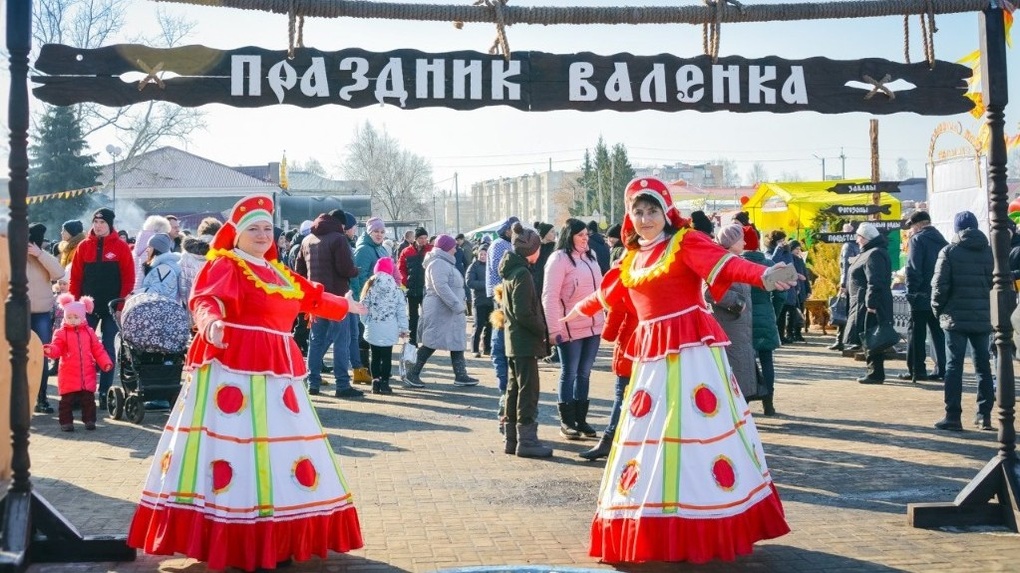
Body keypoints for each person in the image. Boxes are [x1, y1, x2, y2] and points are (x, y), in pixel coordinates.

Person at [127, 195, 366, 571]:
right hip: (233, 372)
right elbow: (204, 299)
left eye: (267, 228)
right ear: (235, 235)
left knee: (280, 451)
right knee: (236, 452)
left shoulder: (276, 270)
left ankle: (279, 533)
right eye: (253, 228)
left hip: (277, 377)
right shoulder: (227, 263)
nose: (261, 234)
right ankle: (237, 537)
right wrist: (211, 323)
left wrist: (345, 305)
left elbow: (310, 296)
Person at [563, 176, 792, 563]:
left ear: (666, 212)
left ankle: (701, 521)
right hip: (651, 362)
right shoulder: (630, 260)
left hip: (692, 356)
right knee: (649, 439)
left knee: (695, 435)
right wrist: (568, 315)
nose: (646, 218)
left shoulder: (683, 243)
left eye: (652, 210)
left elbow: (725, 265)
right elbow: (607, 296)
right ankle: (653, 523)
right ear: (629, 217)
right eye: (639, 211)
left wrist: (763, 277)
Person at [931, 210, 994, 431]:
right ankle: (984, 415)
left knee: (953, 366)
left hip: (954, 317)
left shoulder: (949, 252)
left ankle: (953, 416)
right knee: (983, 365)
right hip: (982, 316)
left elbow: (939, 287)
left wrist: (938, 311)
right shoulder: (988, 252)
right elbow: (993, 284)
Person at [543, 218, 605, 440]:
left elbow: (600, 290)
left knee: (585, 373)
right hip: (569, 326)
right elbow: (550, 296)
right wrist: (553, 328)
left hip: (593, 324)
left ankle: (581, 419)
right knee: (569, 373)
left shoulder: (591, 256)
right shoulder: (558, 259)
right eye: (581, 235)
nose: (585, 238)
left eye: (586, 234)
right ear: (569, 236)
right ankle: (567, 422)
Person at [68, 208, 135, 409]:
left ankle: (105, 393)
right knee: (80, 349)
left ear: (110, 224)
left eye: (102, 222)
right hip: (86, 308)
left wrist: (120, 305)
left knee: (107, 349)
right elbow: (76, 279)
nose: (98, 226)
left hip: (111, 307)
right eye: (95, 222)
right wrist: (74, 305)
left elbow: (128, 279)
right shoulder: (83, 246)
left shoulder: (121, 248)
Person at [294, 210, 363, 398]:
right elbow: (344, 268)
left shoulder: (307, 240)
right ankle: (342, 385)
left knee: (316, 341)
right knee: (342, 341)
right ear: (340, 224)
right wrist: (355, 271)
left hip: (316, 298)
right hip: (338, 298)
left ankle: (313, 382)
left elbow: (299, 271)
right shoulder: (338, 239)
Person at [499, 222, 553, 458]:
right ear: (531, 251)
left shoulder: (512, 271)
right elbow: (524, 312)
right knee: (528, 391)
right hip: (524, 341)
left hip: (514, 341)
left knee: (514, 389)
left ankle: (512, 439)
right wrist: (542, 329)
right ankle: (527, 441)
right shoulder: (522, 274)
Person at [403, 234, 478, 388]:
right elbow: (441, 287)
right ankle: (412, 373)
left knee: (456, 341)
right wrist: (457, 305)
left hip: (449, 311)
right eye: (453, 246)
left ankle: (460, 375)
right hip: (440, 310)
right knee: (431, 342)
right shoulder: (438, 263)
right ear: (446, 247)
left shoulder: (445, 262)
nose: (455, 248)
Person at [43, 294, 113, 432]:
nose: (73, 320)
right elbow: (57, 347)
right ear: (64, 317)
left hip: (87, 373)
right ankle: (66, 422)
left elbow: (98, 349)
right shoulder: (61, 333)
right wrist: (50, 350)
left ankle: (89, 420)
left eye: (76, 317)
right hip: (68, 373)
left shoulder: (89, 332)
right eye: (69, 317)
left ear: (83, 317)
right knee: (66, 401)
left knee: (88, 400)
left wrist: (105, 362)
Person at [706, 224, 756, 399]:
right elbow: (708, 290)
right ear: (731, 242)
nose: (744, 241)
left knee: (741, 366)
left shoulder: (737, 261)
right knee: (733, 368)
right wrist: (736, 302)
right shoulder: (720, 263)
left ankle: (741, 407)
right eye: (740, 238)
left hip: (740, 326)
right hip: (728, 326)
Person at [900, 211, 948, 382]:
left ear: (918, 225)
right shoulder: (943, 240)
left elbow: (913, 268)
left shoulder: (917, 240)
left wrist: (911, 292)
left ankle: (917, 370)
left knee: (916, 333)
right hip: (939, 295)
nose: (911, 230)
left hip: (920, 294)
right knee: (938, 333)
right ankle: (942, 368)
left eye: (912, 226)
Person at [741, 225, 783, 416]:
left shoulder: (736, 264)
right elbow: (782, 294)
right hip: (765, 315)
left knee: (743, 361)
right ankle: (769, 403)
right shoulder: (768, 264)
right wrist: (774, 311)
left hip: (741, 318)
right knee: (766, 360)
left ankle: (744, 403)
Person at [844, 223, 894, 384]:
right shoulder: (871, 252)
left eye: (858, 237)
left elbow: (875, 281)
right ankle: (873, 370)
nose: (857, 240)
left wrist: (871, 303)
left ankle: (875, 373)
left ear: (865, 238)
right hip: (864, 302)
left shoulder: (874, 254)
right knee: (870, 336)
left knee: (873, 336)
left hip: (870, 305)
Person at [28, 223, 65, 414]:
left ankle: (41, 398)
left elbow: (59, 273)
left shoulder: (42, 255)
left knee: (41, 356)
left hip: (41, 312)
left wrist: (39, 253)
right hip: (16, 312)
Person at [360, 256, 408, 395]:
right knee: (386, 356)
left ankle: (375, 382)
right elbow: (401, 311)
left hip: (373, 326)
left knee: (374, 356)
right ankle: (385, 383)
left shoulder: (369, 285)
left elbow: (363, 307)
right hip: (390, 327)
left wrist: (366, 322)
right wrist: (403, 328)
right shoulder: (396, 288)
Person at [829, 223, 861, 351]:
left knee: (843, 310)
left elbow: (845, 267)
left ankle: (840, 340)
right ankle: (845, 340)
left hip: (849, 283)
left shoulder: (848, 246)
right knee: (850, 310)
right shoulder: (859, 245)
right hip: (856, 283)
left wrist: (843, 284)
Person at [398, 227, 431, 346]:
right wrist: (405, 280)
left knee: (427, 315)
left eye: (425, 238)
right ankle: (413, 340)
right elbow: (400, 268)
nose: (423, 240)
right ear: (416, 239)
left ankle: (426, 339)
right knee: (413, 316)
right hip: (411, 288)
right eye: (421, 238)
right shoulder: (406, 251)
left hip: (426, 289)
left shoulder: (430, 250)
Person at [138, 233, 183, 303]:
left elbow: (156, 292)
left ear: (157, 249)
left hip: (159, 310)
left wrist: (135, 294)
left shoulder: (164, 269)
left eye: (149, 247)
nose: (147, 250)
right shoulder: (161, 266)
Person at [132, 215, 172, 292]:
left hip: (135, 288)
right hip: (147, 290)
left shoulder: (138, 245)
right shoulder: (156, 246)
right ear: (159, 229)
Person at [466, 247, 493, 358]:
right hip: (479, 300)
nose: (483, 256)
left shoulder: (491, 266)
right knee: (479, 325)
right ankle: (475, 348)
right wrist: (486, 284)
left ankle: (487, 348)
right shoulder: (473, 266)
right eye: (481, 254)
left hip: (491, 300)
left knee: (490, 325)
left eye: (485, 254)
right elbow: (470, 282)